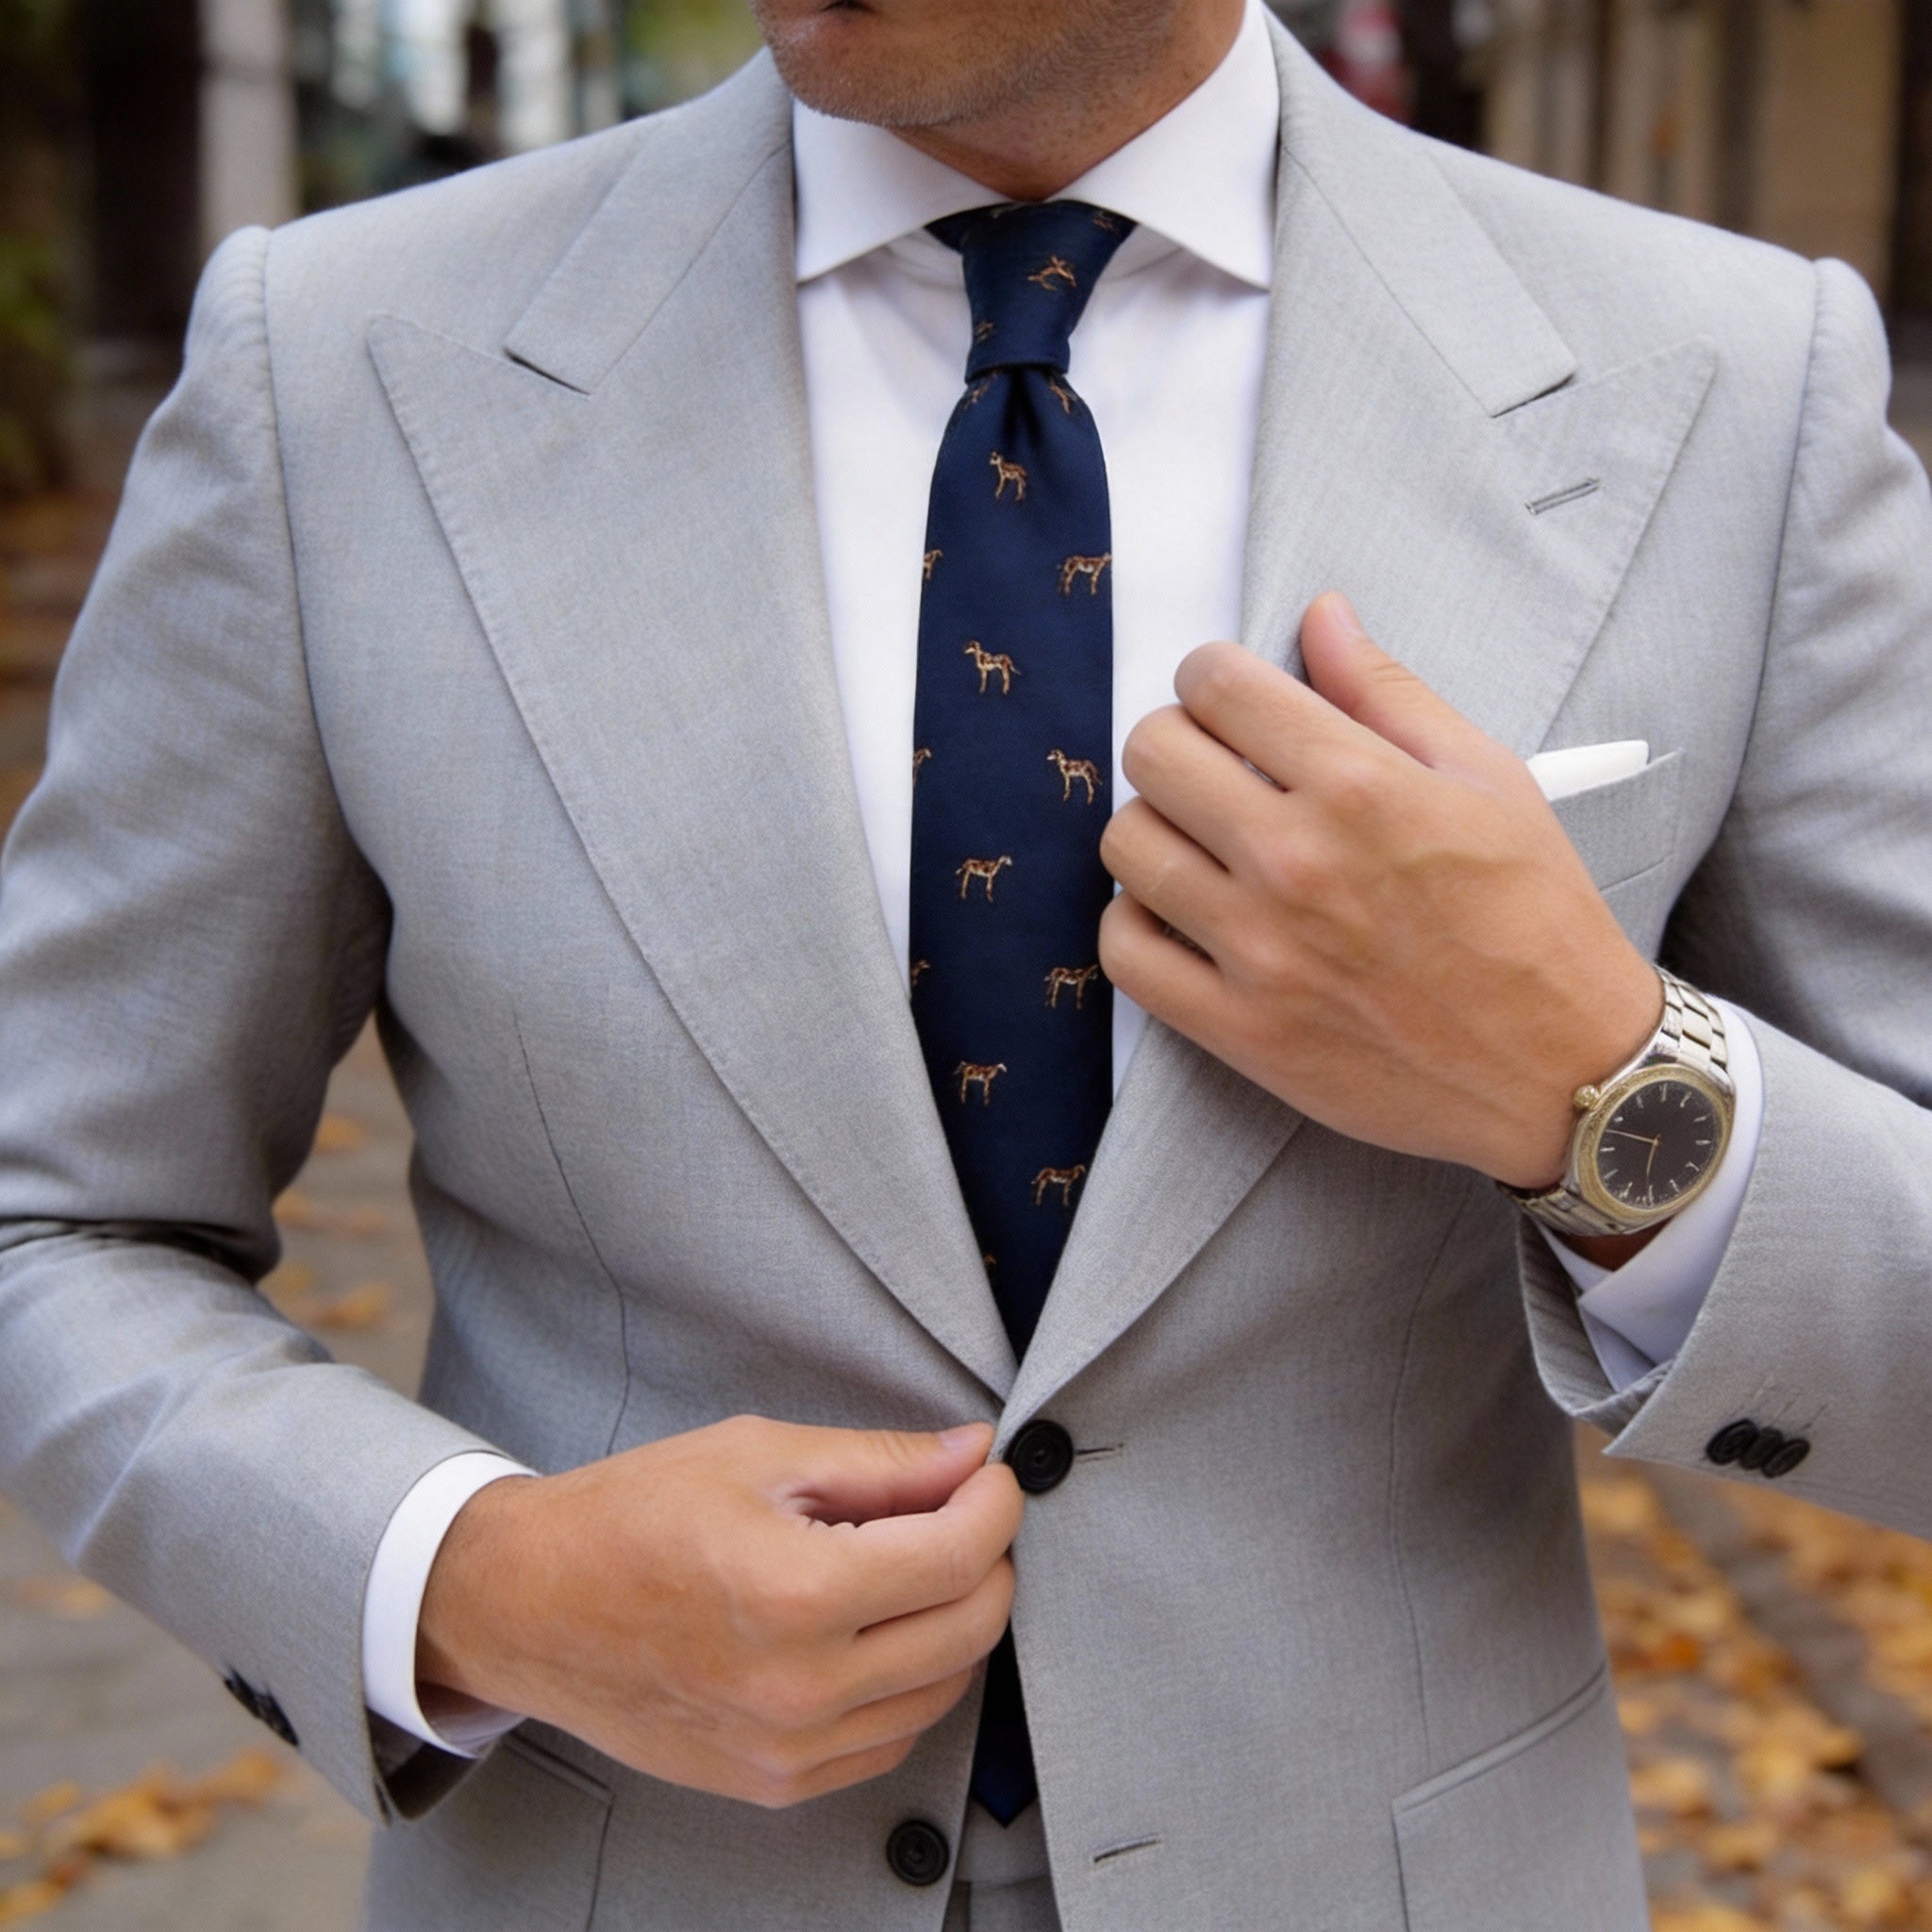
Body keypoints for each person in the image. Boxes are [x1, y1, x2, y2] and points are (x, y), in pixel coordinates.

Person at [2, 0, 1929, 1924]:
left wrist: (1597, 1084)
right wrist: (470, 1580)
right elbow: (55, 1218)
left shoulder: (1727, 389)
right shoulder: (331, 368)